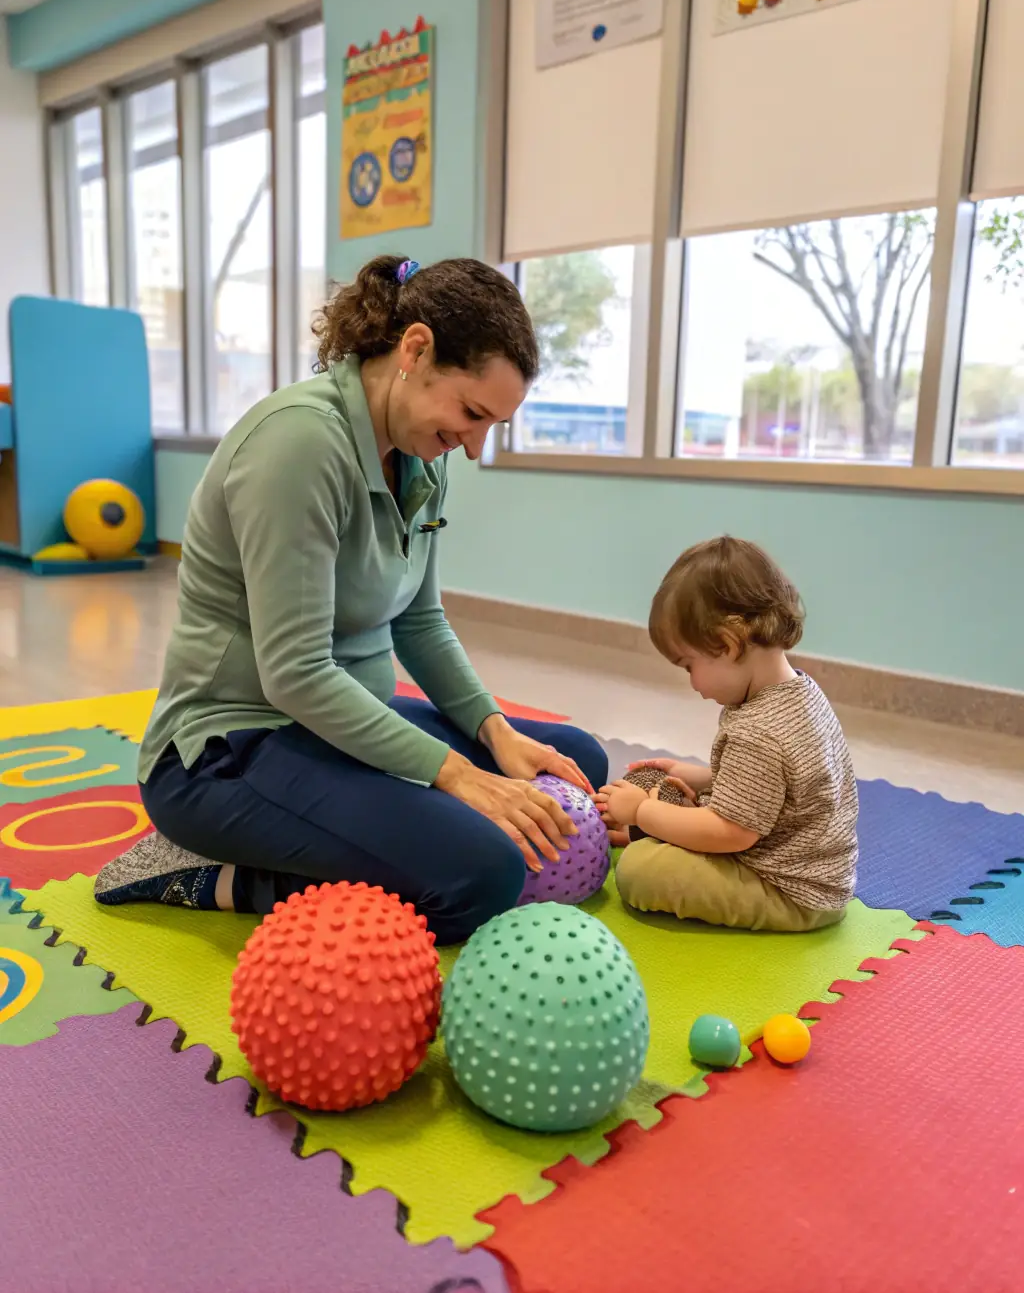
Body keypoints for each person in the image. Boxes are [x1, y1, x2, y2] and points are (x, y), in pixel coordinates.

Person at [96, 255, 608, 943]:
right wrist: (458, 777)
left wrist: (496, 732)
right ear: (415, 349)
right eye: (472, 412)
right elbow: (296, 674)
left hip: (338, 731)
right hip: (228, 752)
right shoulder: (300, 446)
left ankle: (400, 827)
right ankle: (208, 873)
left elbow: (420, 621)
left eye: (495, 425)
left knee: (577, 762)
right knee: (483, 875)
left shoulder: (422, 454)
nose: (476, 446)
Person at [596, 536, 857, 933]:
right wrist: (694, 774)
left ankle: (654, 825)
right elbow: (778, 790)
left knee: (640, 871)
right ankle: (665, 820)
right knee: (668, 797)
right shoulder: (797, 691)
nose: (692, 683)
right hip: (815, 872)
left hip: (787, 890)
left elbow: (731, 833)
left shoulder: (759, 732)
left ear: (728, 643)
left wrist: (641, 813)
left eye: (688, 666)